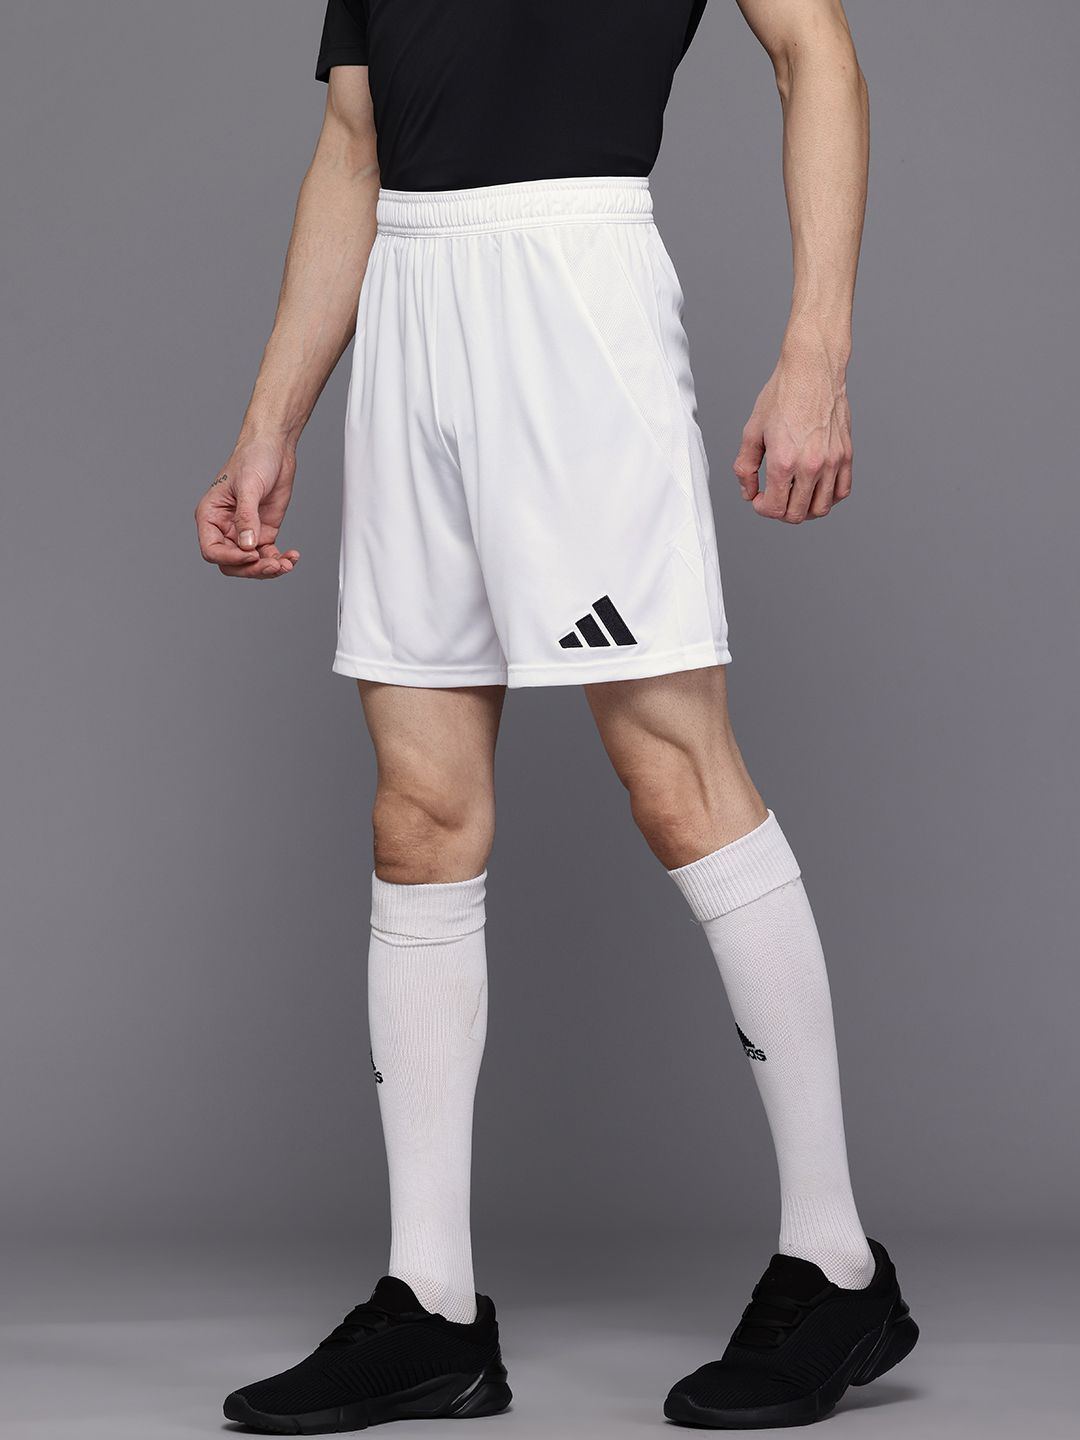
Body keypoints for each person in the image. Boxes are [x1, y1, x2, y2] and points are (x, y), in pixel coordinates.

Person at [196, 1, 918, 1431]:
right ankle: (430, 1308)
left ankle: (836, 1264)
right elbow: (352, 143)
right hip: (409, 300)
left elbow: (816, 53)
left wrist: (817, 349)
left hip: (572, 294)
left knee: (674, 772)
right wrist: (272, 419)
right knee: (419, 811)